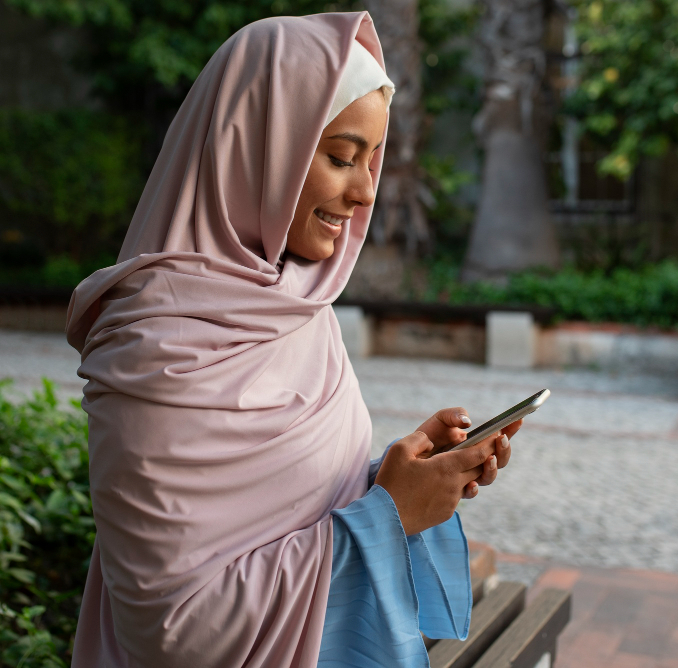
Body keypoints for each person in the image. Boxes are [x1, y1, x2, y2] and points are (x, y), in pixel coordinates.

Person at [65, 12, 518, 667]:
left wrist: (400, 482)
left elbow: (293, 516)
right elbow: (173, 630)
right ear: (258, 148)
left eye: (373, 160)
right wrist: (387, 518)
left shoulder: (300, 306)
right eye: (341, 156)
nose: (365, 192)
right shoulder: (153, 345)